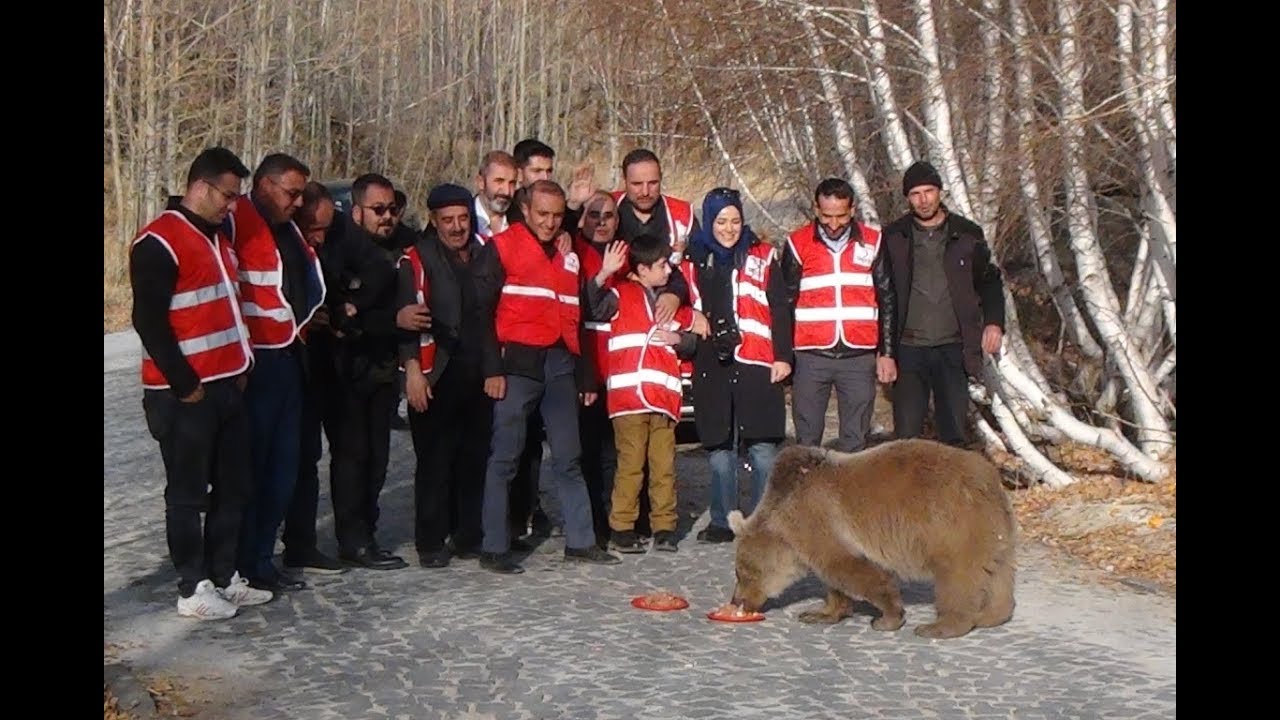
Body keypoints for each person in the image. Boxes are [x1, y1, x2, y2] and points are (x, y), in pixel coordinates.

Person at [130, 147, 272, 618]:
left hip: (228, 384)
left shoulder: (217, 238)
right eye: (227, 197)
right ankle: (192, 588)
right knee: (188, 494)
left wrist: (243, 366)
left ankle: (225, 574)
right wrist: (184, 383)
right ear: (201, 187)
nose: (232, 206)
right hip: (184, 395)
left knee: (234, 487)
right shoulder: (159, 241)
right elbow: (148, 321)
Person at [473, 180, 621, 574]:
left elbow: (579, 318)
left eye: (557, 216)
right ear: (526, 210)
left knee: (569, 457)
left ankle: (581, 541)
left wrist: (586, 376)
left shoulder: (569, 254)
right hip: (517, 363)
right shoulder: (501, 248)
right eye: (543, 214)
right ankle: (494, 545)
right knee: (505, 456)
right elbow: (480, 314)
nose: (550, 223)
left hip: (560, 364)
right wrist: (491, 369)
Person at [230, 153, 326, 593]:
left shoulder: (288, 228)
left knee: (283, 469)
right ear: (265, 186)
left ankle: (261, 559)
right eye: (291, 193)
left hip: (290, 355)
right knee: (251, 468)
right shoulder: (236, 221)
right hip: (256, 359)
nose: (297, 202)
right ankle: (238, 563)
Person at [687, 188, 793, 543]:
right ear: (709, 222)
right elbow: (676, 298)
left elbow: (779, 305)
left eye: (735, 220)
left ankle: (765, 522)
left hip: (757, 359)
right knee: (720, 449)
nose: (729, 229)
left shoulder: (762, 254)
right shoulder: (693, 259)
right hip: (712, 362)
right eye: (721, 221)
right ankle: (722, 520)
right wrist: (693, 317)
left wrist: (783, 356)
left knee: (763, 449)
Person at [586, 234, 702, 553]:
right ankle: (622, 526)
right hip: (629, 399)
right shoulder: (620, 294)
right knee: (631, 465)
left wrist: (680, 339)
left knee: (664, 466)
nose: (668, 271)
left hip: (663, 399)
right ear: (644, 268)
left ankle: (664, 526)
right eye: (663, 265)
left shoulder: (667, 300)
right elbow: (592, 304)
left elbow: (694, 334)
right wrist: (602, 274)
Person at [396, 184, 492, 568]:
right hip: (436, 371)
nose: (457, 227)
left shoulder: (485, 254)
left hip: (477, 372)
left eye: (463, 219)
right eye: (448, 220)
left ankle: (468, 534)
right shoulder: (416, 259)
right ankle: (431, 541)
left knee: (473, 459)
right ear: (434, 222)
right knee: (435, 462)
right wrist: (413, 372)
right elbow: (407, 320)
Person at [881, 161, 1006, 447]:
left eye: (929, 191)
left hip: (953, 346)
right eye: (915, 194)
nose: (923, 200)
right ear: (907, 198)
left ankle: (951, 491)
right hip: (909, 348)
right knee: (906, 438)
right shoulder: (894, 237)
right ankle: (911, 493)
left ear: (940, 192)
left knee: (954, 434)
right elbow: (883, 295)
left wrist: (994, 323)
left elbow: (989, 281)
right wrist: (884, 352)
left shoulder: (967, 233)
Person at [328, 173, 413, 571]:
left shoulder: (405, 244)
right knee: (352, 455)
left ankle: (367, 530)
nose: (387, 217)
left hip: (383, 367)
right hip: (345, 368)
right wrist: (392, 320)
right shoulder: (339, 247)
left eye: (393, 209)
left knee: (377, 456)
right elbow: (342, 317)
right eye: (378, 210)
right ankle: (352, 538)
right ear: (357, 210)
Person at [781, 178, 897, 454]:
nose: (833, 224)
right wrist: (784, 356)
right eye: (826, 216)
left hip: (858, 355)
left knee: (855, 442)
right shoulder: (798, 243)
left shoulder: (873, 241)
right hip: (811, 354)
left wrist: (887, 351)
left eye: (841, 216)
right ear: (816, 209)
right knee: (807, 442)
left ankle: (850, 497)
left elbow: (887, 297)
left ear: (853, 209)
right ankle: (807, 497)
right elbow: (784, 303)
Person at [280, 182, 348, 576]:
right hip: (280, 364)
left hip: (318, 367)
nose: (319, 237)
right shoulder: (280, 244)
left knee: (307, 460)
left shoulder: (329, 246)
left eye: (325, 228)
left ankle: (300, 543)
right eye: (312, 227)